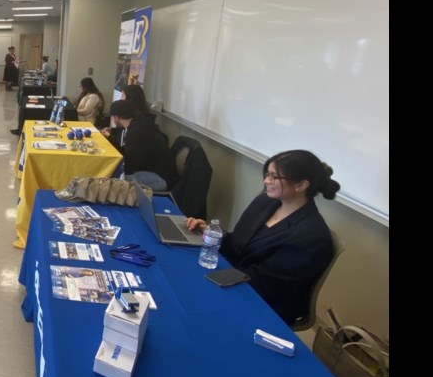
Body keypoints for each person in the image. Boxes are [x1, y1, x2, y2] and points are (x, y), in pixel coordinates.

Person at [185, 150, 341, 325]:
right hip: (237, 277)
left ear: (301, 185)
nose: (266, 181)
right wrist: (210, 233)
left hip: (263, 303)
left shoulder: (311, 236)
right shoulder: (265, 202)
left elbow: (265, 284)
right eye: (267, 174)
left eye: (274, 177)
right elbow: (238, 243)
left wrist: (201, 277)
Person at [102, 100, 177, 192]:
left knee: (113, 180)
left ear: (116, 117)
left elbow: (129, 166)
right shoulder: (140, 124)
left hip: (160, 179)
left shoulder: (135, 133)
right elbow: (128, 154)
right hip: (162, 173)